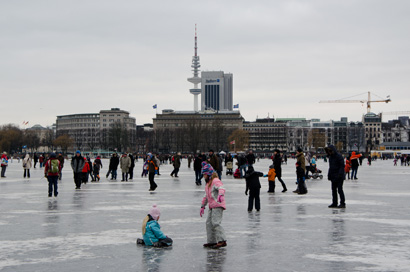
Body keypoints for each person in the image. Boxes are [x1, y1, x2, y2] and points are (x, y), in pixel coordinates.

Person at [199, 162, 227, 249]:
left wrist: (220, 195)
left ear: (208, 174)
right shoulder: (208, 184)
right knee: (209, 223)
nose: (203, 176)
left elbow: (221, 188)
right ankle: (212, 241)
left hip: (218, 205)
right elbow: (206, 196)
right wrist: (203, 206)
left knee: (215, 223)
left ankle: (222, 240)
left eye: (204, 174)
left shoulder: (215, 181)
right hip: (212, 206)